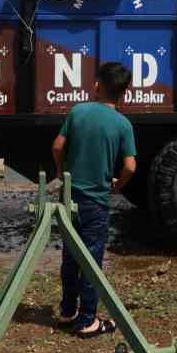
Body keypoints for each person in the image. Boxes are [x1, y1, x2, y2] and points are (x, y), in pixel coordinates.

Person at [51, 61, 137, 338]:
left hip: (70, 195)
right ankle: (88, 320)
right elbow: (131, 166)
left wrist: (61, 172)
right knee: (91, 260)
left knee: (70, 257)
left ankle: (67, 311)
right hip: (96, 202)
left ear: (97, 85)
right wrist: (117, 185)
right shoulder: (122, 124)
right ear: (125, 91)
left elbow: (57, 146)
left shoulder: (78, 111)